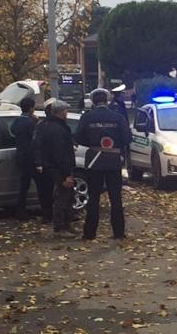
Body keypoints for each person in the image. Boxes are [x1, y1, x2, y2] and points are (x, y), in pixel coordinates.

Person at [75, 88, 130, 240]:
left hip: (94, 161)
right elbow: (127, 138)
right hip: (113, 161)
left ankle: (89, 233)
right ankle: (118, 232)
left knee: (93, 198)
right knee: (116, 198)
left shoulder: (87, 117)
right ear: (106, 100)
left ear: (93, 102)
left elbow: (79, 137)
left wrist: (93, 144)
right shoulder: (118, 117)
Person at [33, 99, 80, 238]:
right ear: (60, 112)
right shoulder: (58, 129)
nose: (67, 112)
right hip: (59, 168)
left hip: (53, 167)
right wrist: (66, 174)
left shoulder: (46, 125)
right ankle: (60, 228)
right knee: (62, 197)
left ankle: (67, 223)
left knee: (68, 195)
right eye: (66, 110)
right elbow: (61, 153)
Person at [10, 97, 53, 222]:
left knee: (24, 185)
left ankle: (20, 210)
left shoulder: (17, 121)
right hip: (31, 158)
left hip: (21, 156)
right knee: (42, 185)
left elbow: (13, 131)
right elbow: (36, 140)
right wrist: (37, 122)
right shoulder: (30, 123)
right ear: (30, 108)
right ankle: (46, 211)